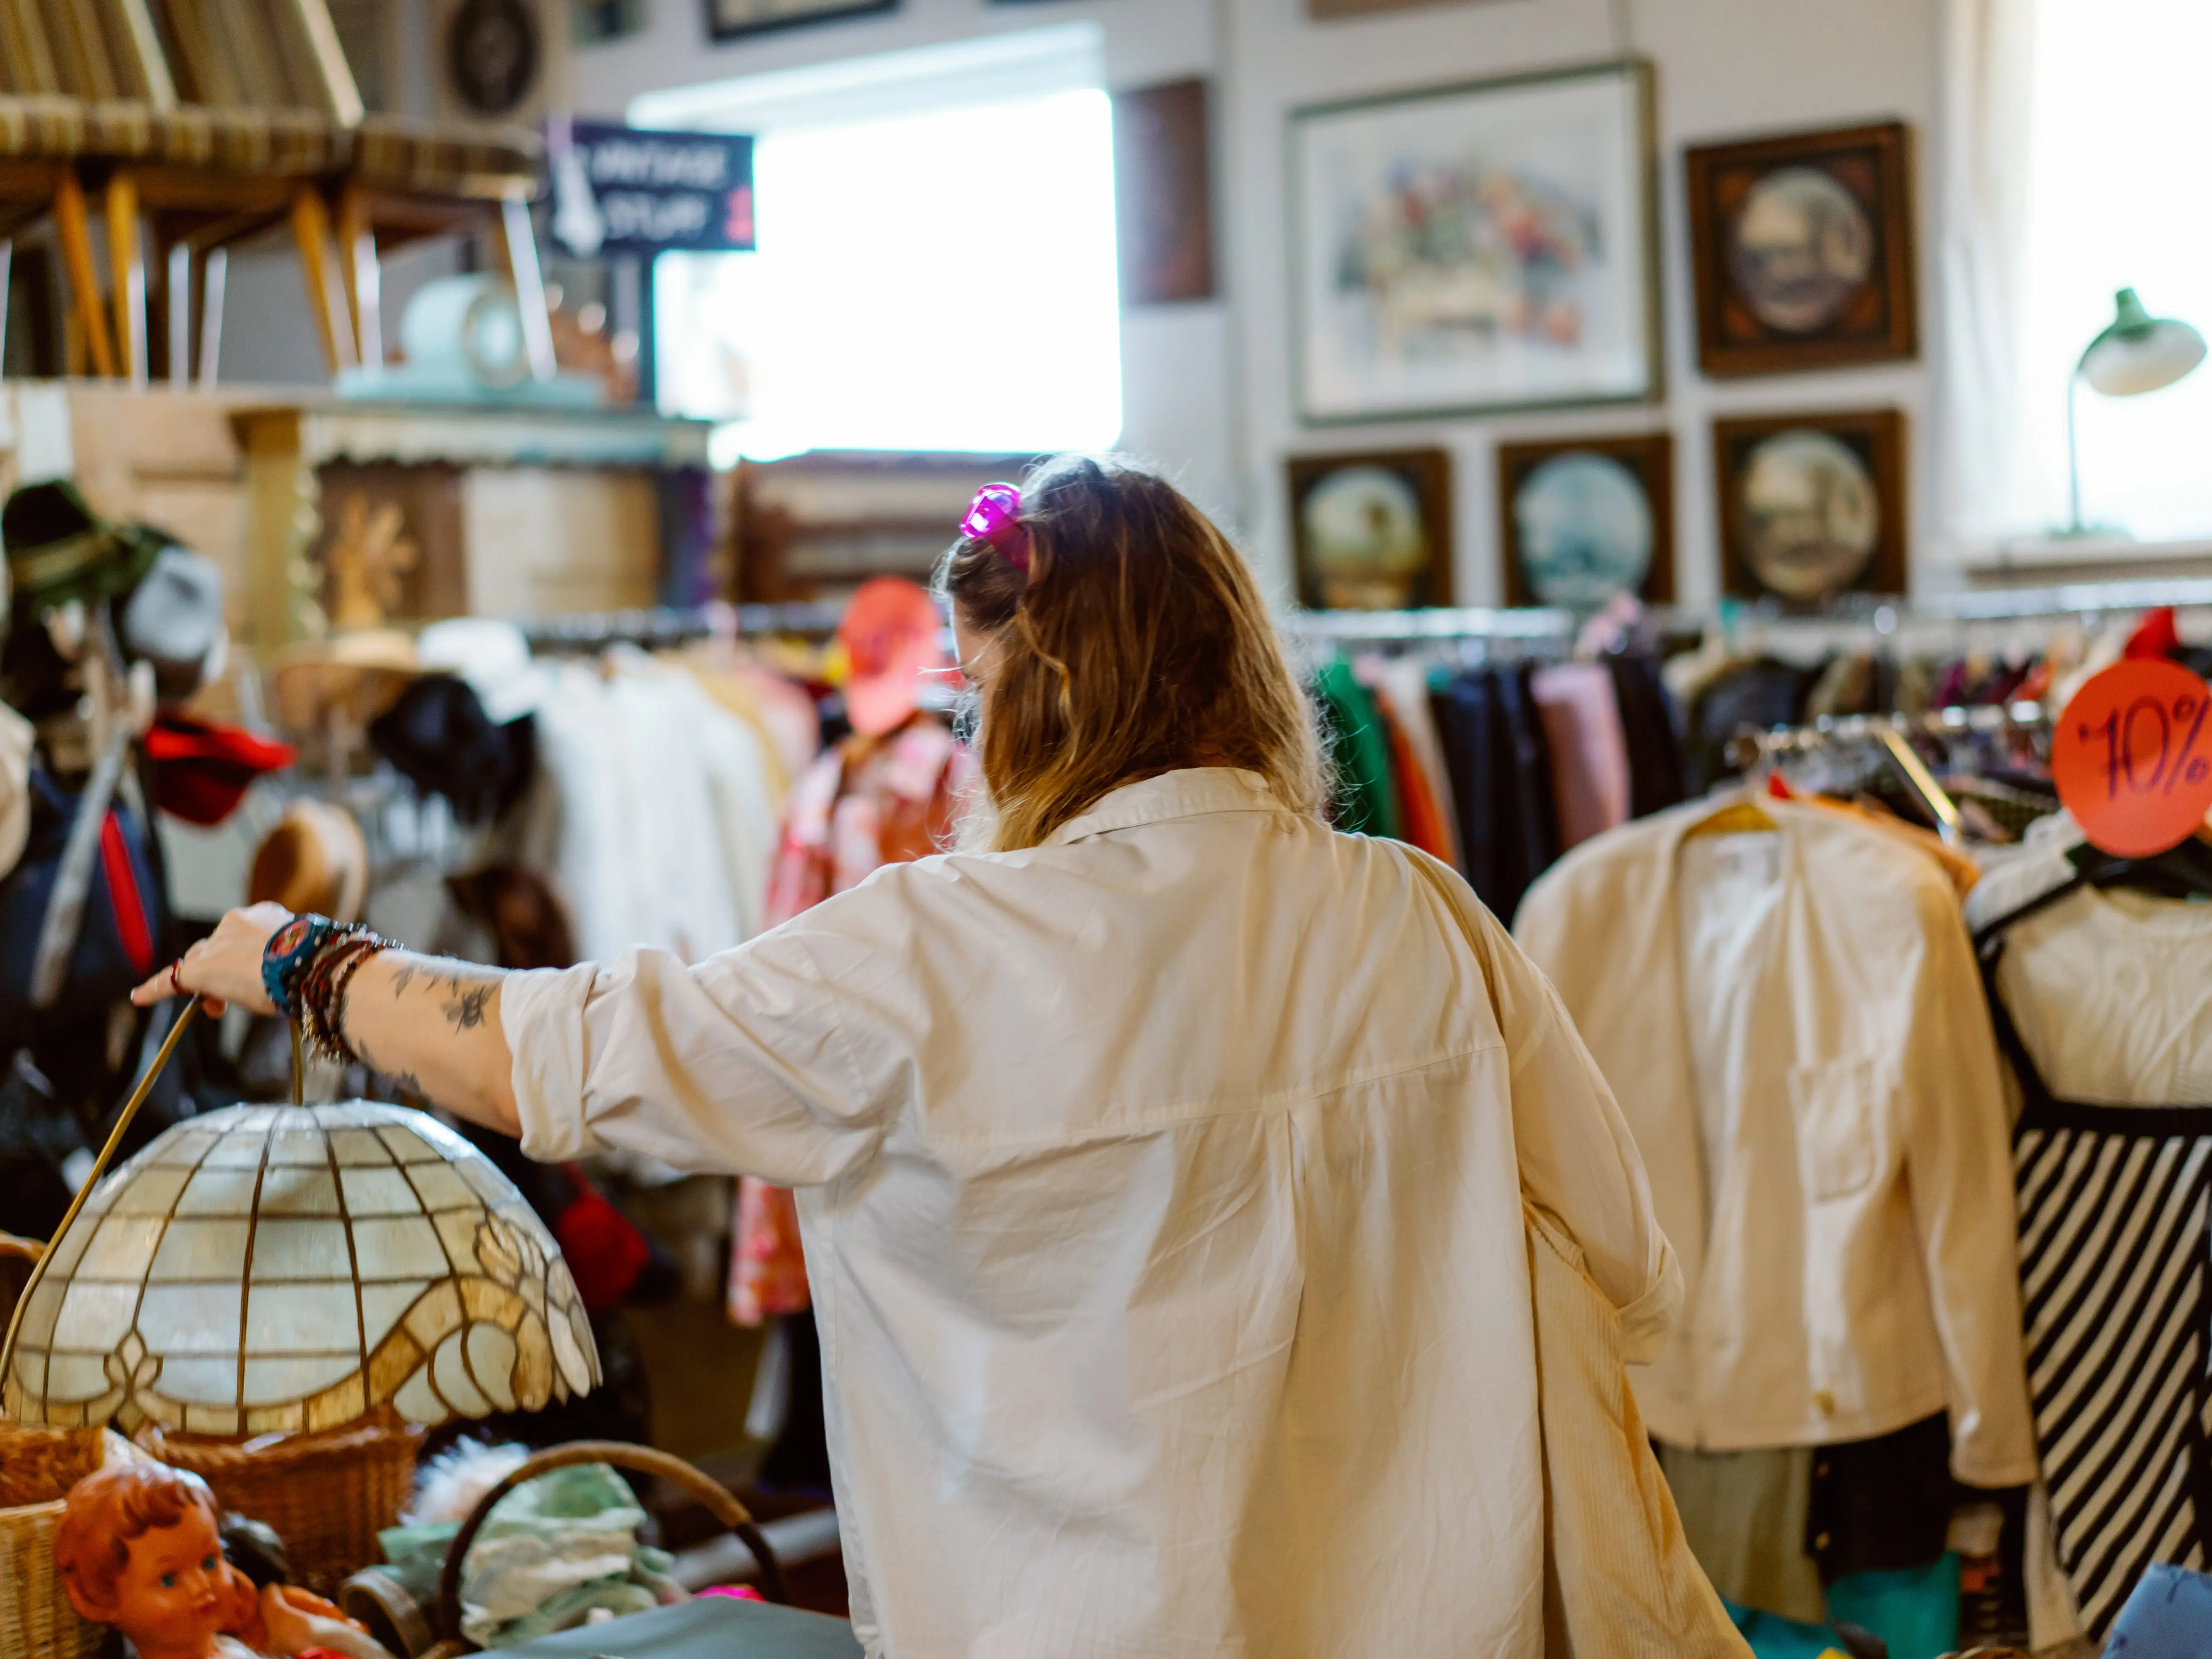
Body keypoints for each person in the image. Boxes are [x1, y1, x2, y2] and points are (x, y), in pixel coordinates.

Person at [139, 455, 1680, 1659]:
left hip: (1082, 1621)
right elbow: (1629, 1256)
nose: (965, 724)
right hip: (1428, 1612)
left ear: (1043, 690)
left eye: (974, 684)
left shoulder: (931, 950)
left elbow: (560, 1055)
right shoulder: (1419, 917)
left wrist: (294, 958)